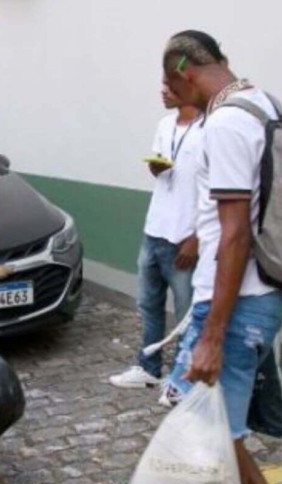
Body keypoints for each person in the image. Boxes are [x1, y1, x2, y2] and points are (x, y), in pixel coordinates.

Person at [161, 30, 282, 484]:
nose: (169, 93)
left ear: (186, 72)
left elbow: (234, 235)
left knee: (211, 426)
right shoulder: (263, 103)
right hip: (260, 296)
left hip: (236, 303)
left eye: (170, 81)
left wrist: (211, 334)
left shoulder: (228, 123)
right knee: (208, 423)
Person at [109, 85, 202, 393]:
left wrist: (198, 237)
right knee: (149, 304)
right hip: (155, 231)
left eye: (169, 85)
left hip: (185, 237)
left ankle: (184, 378)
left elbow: (217, 190)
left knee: (188, 312)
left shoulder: (210, 129)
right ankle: (149, 368)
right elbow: (161, 173)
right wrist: (155, 167)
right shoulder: (164, 125)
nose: (162, 91)